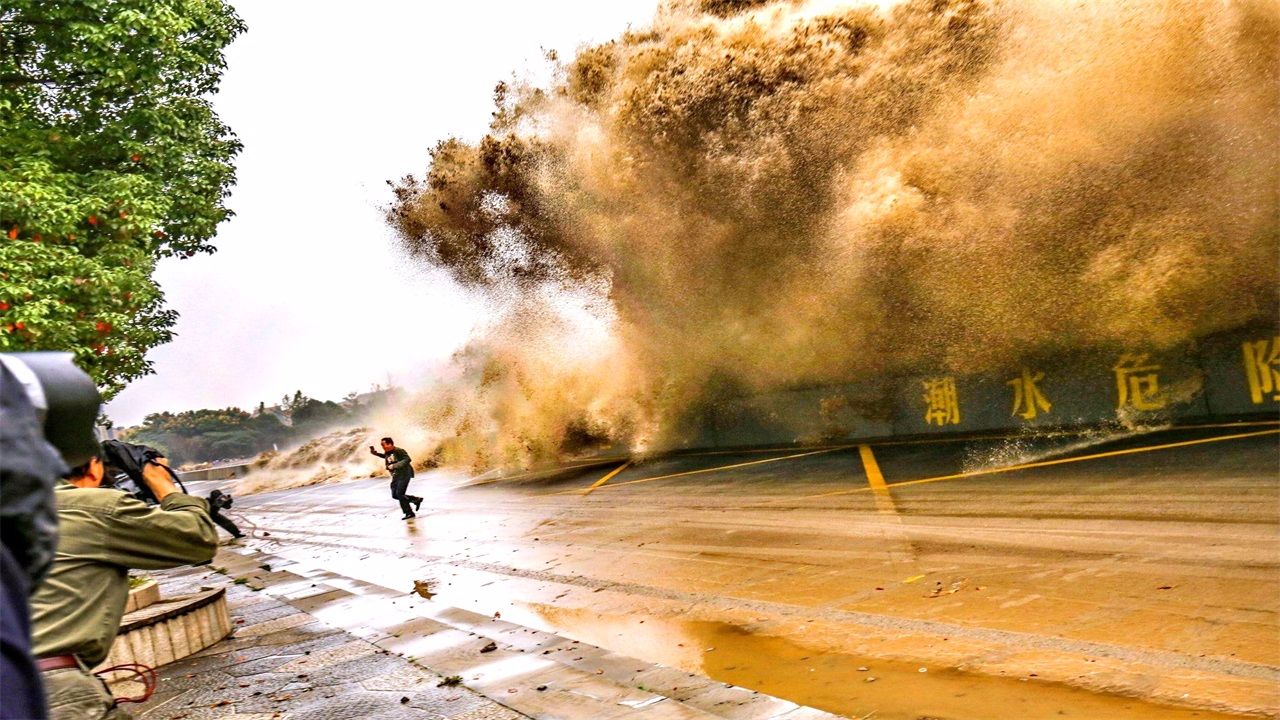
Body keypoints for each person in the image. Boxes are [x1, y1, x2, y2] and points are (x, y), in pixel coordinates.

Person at [29, 452, 218, 720]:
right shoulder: (92, 507)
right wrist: (161, 483)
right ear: (93, 466)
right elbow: (198, 539)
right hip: (53, 692)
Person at [369, 437, 421, 520]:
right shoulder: (388, 452)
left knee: (400, 494)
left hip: (404, 474)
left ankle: (409, 513)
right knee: (395, 495)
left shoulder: (399, 450)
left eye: (383, 445)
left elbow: (407, 459)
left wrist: (394, 466)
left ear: (390, 444)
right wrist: (376, 454)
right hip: (396, 475)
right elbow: (386, 457)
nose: (382, 447)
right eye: (381, 445)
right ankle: (415, 499)